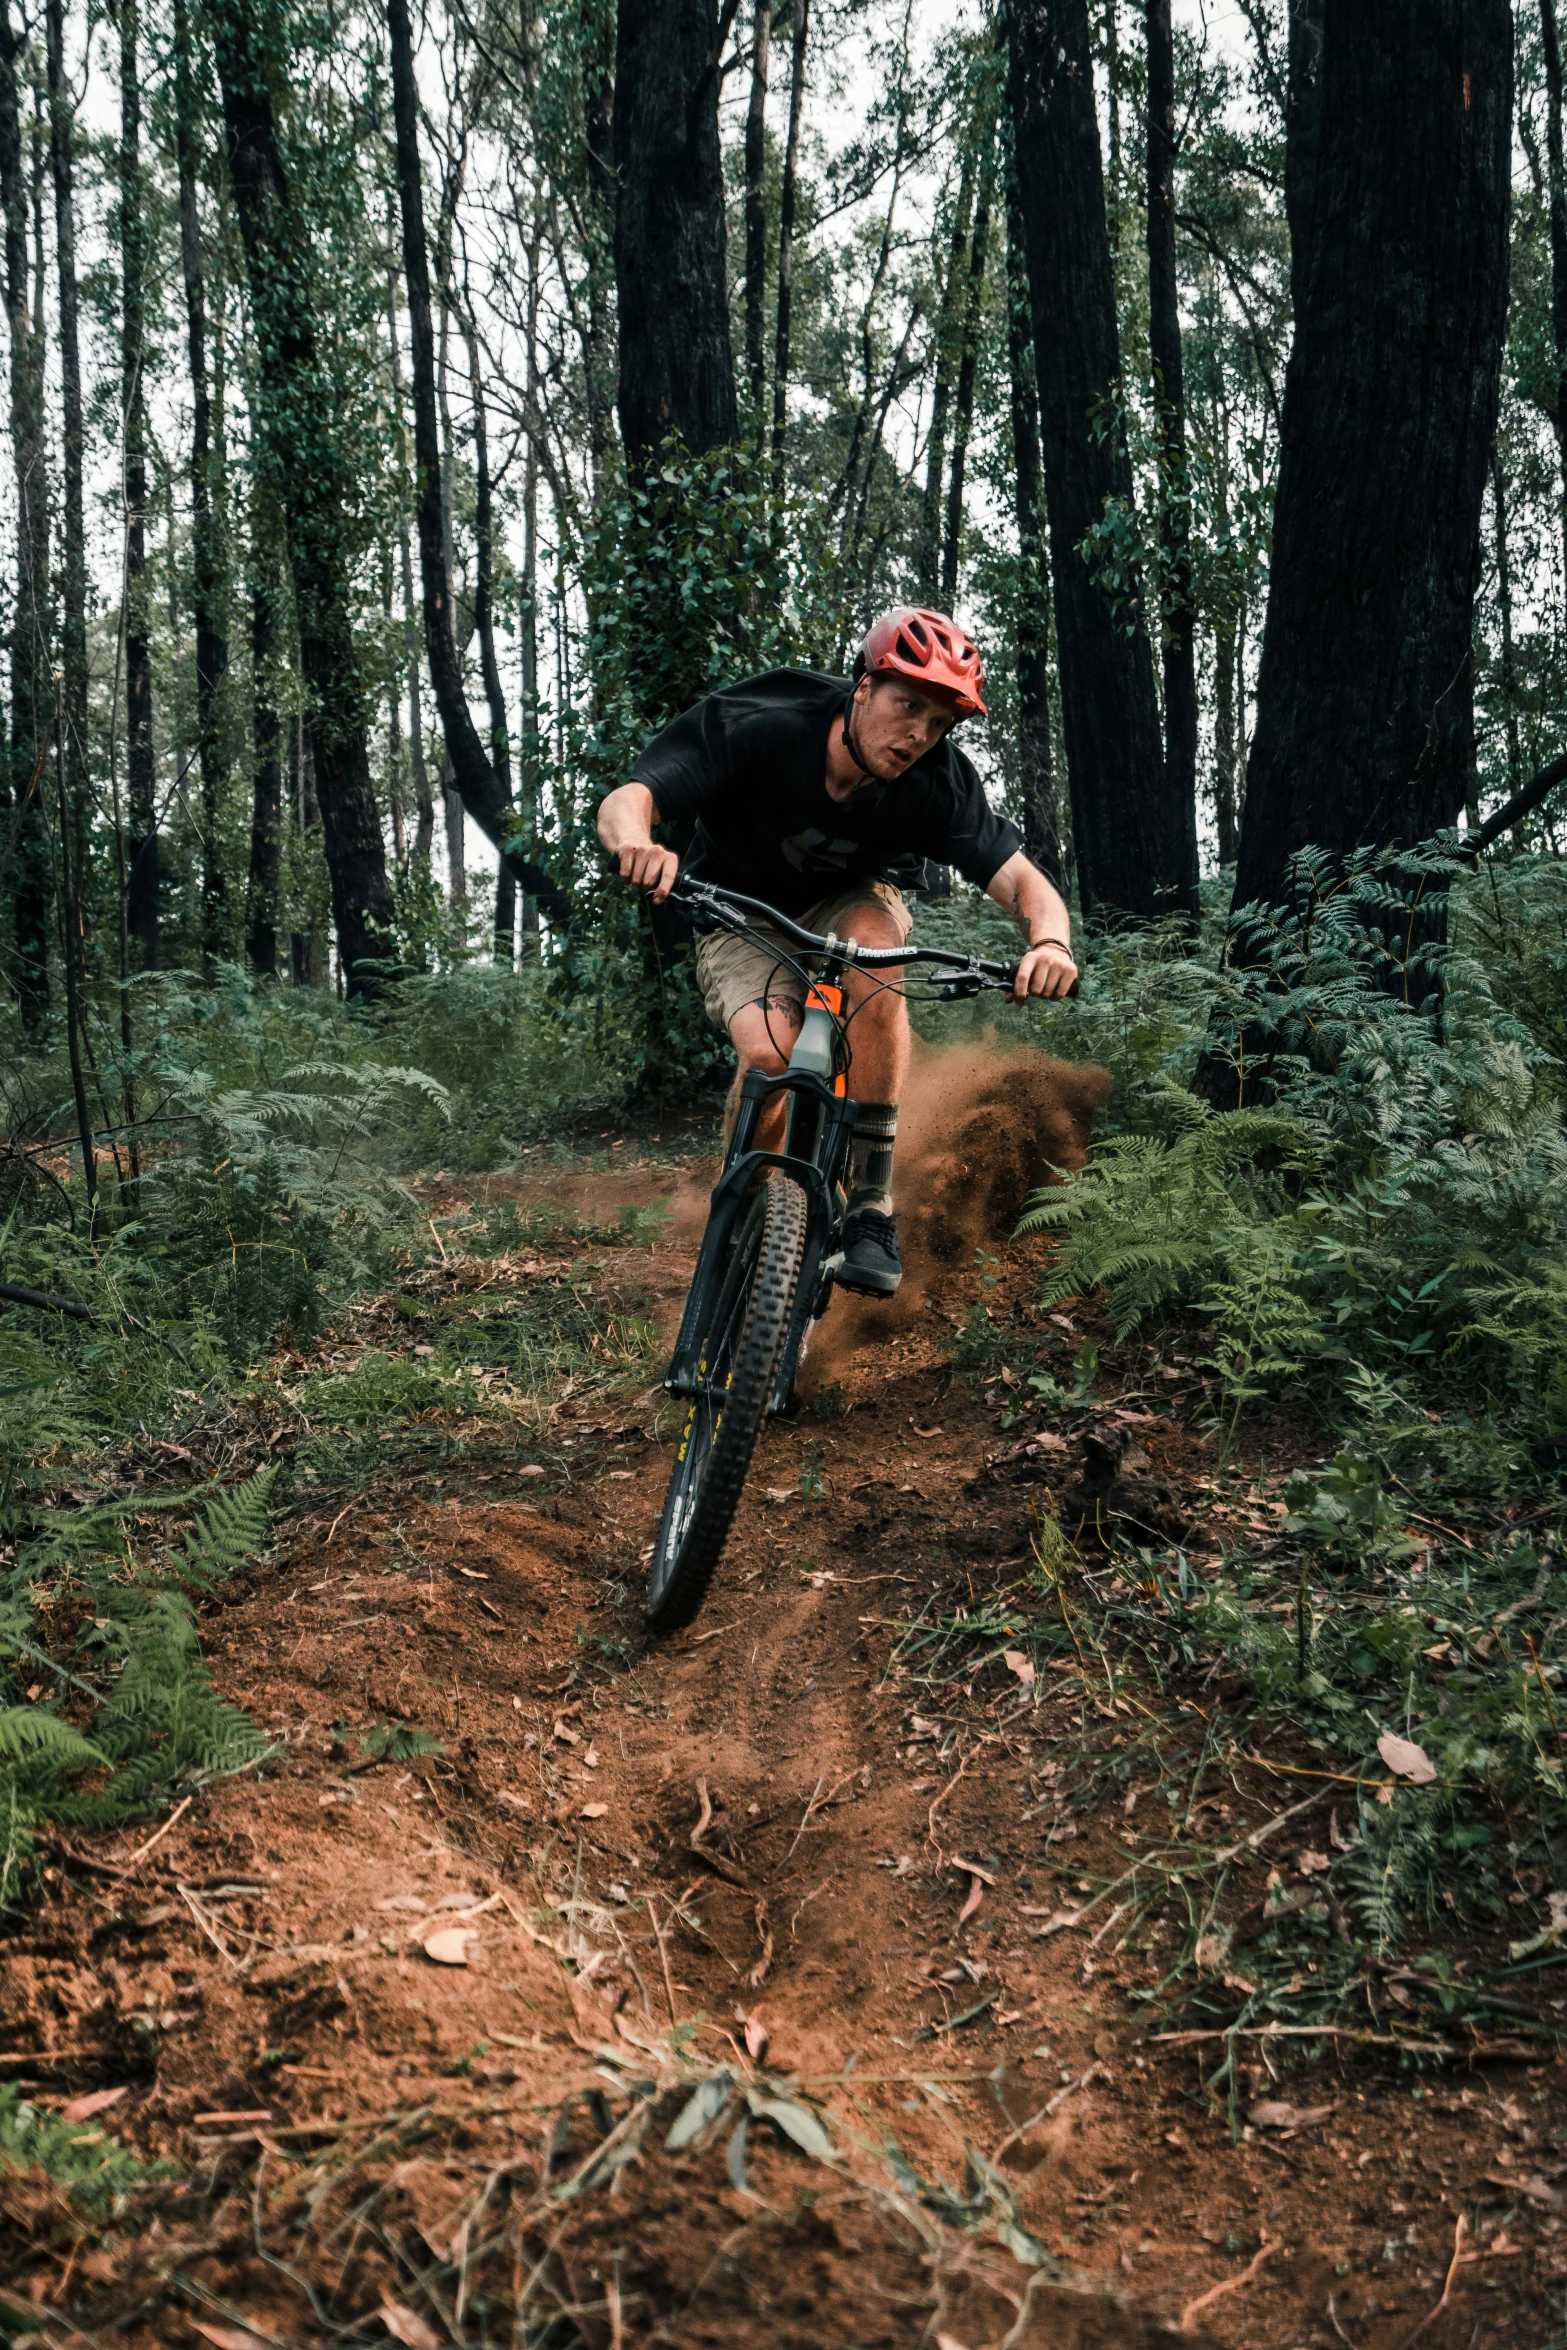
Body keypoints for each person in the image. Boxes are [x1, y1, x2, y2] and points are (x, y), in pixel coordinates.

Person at [597, 606, 1078, 1298]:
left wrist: (1050, 941)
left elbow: (1023, 883)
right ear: (861, 686)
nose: (917, 734)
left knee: (875, 953)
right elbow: (631, 797)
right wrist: (636, 844)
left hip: (849, 901)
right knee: (768, 1054)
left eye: (938, 723)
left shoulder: (936, 781)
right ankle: (747, 1199)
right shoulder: (762, 724)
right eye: (906, 705)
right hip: (738, 911)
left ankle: (869, 1205)